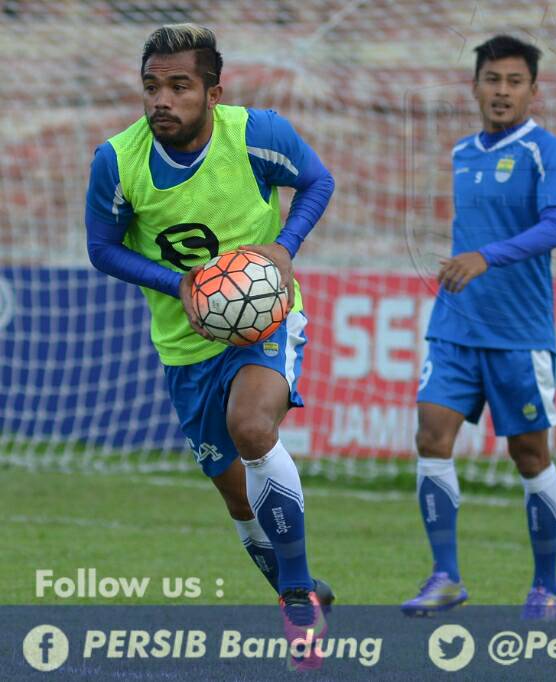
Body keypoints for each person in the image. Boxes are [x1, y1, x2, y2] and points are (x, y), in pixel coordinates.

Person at [84, 23, 334, 664]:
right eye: (152, 87)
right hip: (186, 345)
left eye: (179, 86)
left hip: (267, 320)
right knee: (234, 492)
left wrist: (283, 246)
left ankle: (299, 598)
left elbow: (317, 182)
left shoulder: (257, 135)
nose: (162, 99)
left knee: (252, 426)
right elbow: (102, 248)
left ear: (214, 92)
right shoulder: (118, 161)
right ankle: (292, 585)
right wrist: (180, 285)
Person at [402, 34, 556, 620]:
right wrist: (466, 262)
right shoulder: (462, 153)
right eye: (492, 80)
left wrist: (485, 257)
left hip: (518, 334)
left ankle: (546, 587)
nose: (502, 91)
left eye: (514, 82)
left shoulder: (544, 150)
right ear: (475, 85)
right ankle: (446, 576)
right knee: (431, 437)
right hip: (455, 326)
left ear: (533, 90)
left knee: (530, 455)